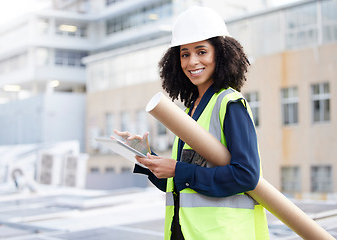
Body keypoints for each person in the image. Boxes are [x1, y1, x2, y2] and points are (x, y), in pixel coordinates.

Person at [113, 6, 270, 240]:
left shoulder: (230, 104)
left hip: (223, 234)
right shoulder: (191, 110)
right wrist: (147, 158)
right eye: (185, 54)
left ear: (220, 54)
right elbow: (183, 183)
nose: (192, 61)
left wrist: (178, 169)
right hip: (185, 231)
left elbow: (246, 176)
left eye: (201, 51)